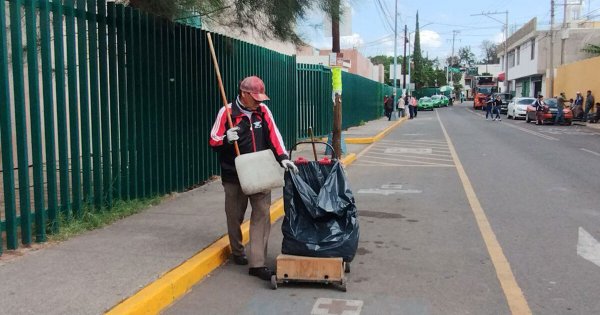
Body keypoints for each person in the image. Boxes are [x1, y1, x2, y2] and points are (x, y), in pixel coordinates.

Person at [209, 76, 298, 281]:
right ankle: (237, 251)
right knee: (234, 216)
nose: (259, 102)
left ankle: (257, 264)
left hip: (260, 171)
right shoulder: (227, 112)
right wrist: (226, 139)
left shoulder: (263, 112)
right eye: (255, 98)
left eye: (261, 98)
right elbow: (213, 140)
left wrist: (283, 158)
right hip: (235, 174)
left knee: (261, 214)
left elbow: (275, 136)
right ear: (243, 94)